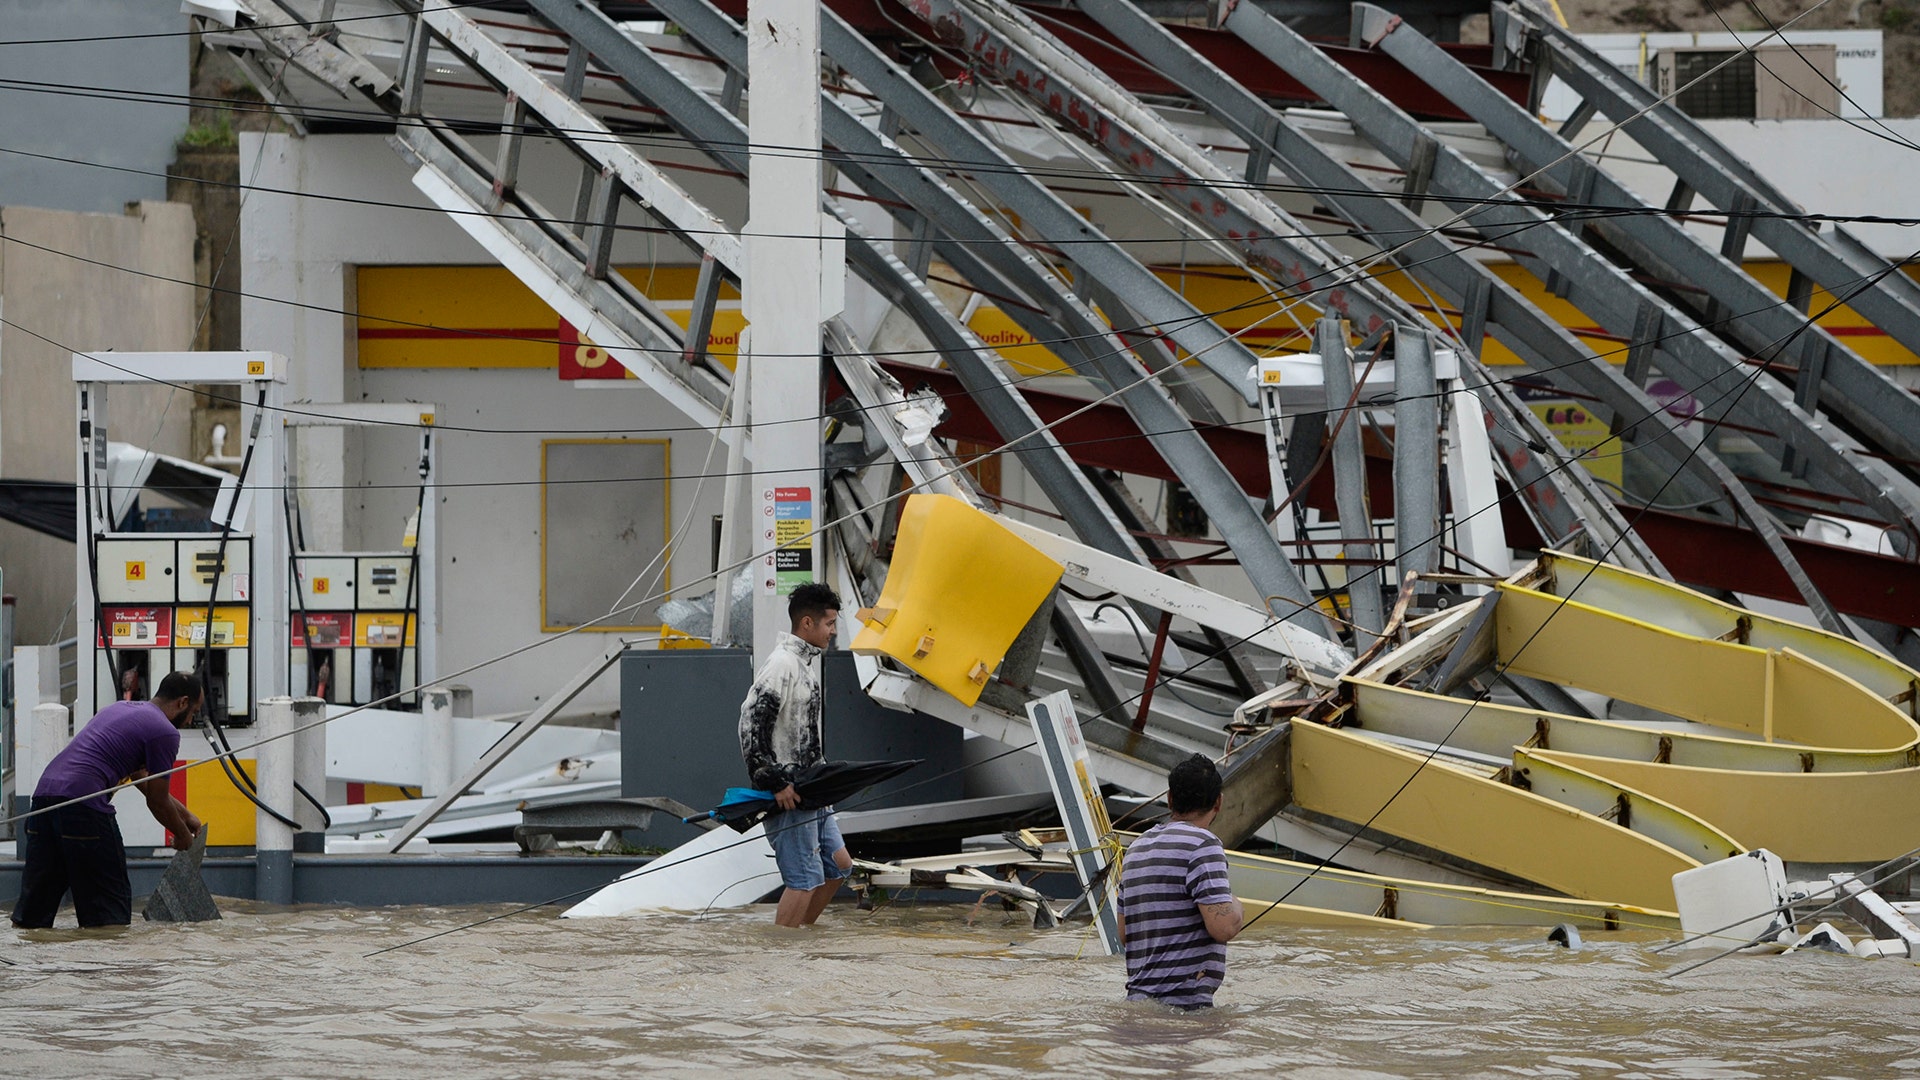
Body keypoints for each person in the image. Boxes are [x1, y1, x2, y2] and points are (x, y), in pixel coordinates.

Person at [11, 671, 205, 928]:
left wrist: (185, 815)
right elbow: (156, 801)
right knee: (108, 918)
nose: (191, 720)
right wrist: (181, 835)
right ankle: (106, 967)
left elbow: (139, 777)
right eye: (193, 712)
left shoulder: (118, 709)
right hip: (84, 806)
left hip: (45, 799)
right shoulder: (165, 732)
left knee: (32, 915)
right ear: (181, 702)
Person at [738, 582, 851, 927]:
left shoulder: (805, 665)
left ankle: (803, 937)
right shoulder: (781, 665)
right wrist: (774, 782)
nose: (833, 631)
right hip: (788, 795)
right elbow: (750, 725)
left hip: (812, 789)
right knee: (803, 881)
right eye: (829, 624)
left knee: (840, 866)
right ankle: (781, 956)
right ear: (807, 623)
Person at [1116, 753, 1244, 1009]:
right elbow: (1223, 928)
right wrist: (1236, 904)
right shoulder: (1204, 845)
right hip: (1182, 1011)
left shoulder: (1136, 848)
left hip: (1137, 1005)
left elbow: (1124, 934)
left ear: (1170, 799)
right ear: (1218, 802)